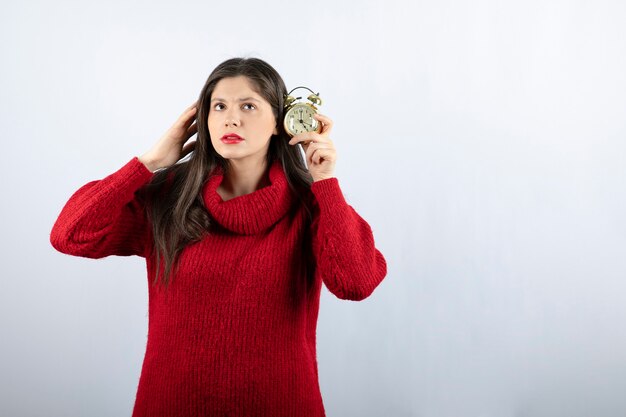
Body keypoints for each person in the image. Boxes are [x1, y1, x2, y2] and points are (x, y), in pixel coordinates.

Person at [50, 57, 388, 417]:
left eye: (248, 105)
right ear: (202, 120)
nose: (231, 118)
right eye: (219, 106)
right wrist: (148, 163)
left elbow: (356, 282)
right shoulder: (169, 196)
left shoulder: (311, 204)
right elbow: (71, 235)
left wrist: (325, 183)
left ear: (280, 122)